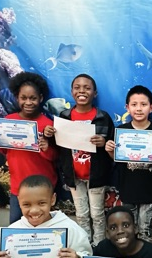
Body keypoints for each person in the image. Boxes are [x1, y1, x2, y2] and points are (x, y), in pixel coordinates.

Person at [46, 74, 114, 245]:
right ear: (71, 92)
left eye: (87, 88)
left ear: (95, 93)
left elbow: (115, 144)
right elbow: (57, 146)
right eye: (77, 87)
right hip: (74, 175)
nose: (82, 91)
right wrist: (49, 135)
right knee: (81, 214)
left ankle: (99, 245)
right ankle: (84, 244)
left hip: (96, 176)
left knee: (97, 214)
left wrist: (104, 142)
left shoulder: (103, 117)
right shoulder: (64, 116)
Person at [0, 72, 58, 224]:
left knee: (44, 226)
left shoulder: (48, 124)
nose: (28, 102)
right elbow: (3, 150)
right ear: (17, 98)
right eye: (24, 98)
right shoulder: (8, 121)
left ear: (40, 98)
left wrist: (45, 148)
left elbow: (55, 157)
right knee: (16, 225)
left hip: (43, 186)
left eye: (33, 98)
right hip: (18, 186)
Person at [105, 85, 152, 241]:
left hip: (149, 191)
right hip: (127, 190)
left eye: (143, 104)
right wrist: (110, 151)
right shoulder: (121, 131)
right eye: (134, 104)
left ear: (151, 108)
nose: (139, 109)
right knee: (128, 231)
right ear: (127, 107)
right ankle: (130, 255)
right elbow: (115, 160)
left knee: (146, 231)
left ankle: (146, 255)